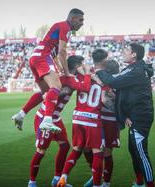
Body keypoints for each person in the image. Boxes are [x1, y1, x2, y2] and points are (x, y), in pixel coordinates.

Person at [12, 8, 84, 132]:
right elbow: (62, 51)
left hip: (37, 57)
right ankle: (47, 120)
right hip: (43, 56)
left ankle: (21, 114)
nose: (82, 23)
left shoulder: (61, 27)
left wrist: (60, 69)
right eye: (80, 20)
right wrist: (67, 73)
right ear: (72, 19)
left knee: (45, 93)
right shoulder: (65, 27)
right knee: (56, 86)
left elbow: (55, 54)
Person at [26, 55, 91, 187]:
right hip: (45, 116)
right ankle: (32, 181)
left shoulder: (72, 78)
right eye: (82, 64)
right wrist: (88, 72)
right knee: (41, 151)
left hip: (56, 117)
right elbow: (41, 94)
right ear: (77, 67)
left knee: (65, 146)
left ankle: (56, 179)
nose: (83, 66)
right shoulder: (66, 79)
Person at [96, 43, 155, 187]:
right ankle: (139, 183)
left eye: (126, 50)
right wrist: (125, 116)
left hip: (140, 118)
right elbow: (126, 94)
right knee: (134, 150)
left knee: (141, 153)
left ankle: (150, 185)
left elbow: (114, 81)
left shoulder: (136, 70)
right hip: (135, 116)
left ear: (134, 54)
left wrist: (98, 71)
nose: (123, 52)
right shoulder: (133, 69)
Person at [57, 49, 109, 187]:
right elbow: (104, 99)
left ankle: (63, 177)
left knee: (76, 149)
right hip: (93, 119)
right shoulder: (103, 77)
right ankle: (97, 184)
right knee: (97, 153)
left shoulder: (78, 77)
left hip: (78, 118)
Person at [83, 59, 121, 187]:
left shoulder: (113, 81)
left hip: (109, 120)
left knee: (106, 152)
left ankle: (106, 182)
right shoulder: (105, 78)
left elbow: (106, 99)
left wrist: (117, 109)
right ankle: (97, 174)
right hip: (98, 119)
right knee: (88, 147)